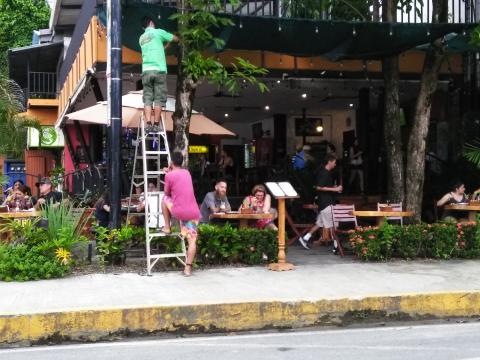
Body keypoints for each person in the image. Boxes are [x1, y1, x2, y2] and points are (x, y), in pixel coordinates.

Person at [161, 152, 200, 276]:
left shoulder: (169, 176)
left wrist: (167, 173)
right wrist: (170, 171)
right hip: (193, 212)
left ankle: (167, 227)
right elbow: (179, 176)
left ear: (171, 163)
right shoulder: (187, 173)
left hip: (179, 211)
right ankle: (187, 268)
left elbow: (167, 192)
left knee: (164, 199)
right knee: (192, 241)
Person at [139, 16, 179, 131]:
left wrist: (166, 46)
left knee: (147, 98)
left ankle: (148, 124)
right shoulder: (158, 32)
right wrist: (177, 36)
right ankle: (156, 124)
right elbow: (175, 39)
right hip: (159, 70)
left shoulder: (141, 38)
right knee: (158, 98)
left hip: (146, 70)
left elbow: (157, 48)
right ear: (151, 23)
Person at [298, 154, 343, 252]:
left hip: (324, 202)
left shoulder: (324, 172)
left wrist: (334, 188)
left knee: (319, 223)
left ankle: (305, 238)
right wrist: (335, 189)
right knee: (333, 224)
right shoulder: (324, 173)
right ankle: (336, 246)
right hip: (326, 202)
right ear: (330, 162)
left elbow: (322, 186)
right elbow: (319, 187)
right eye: (334, 162)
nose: (335, 164)